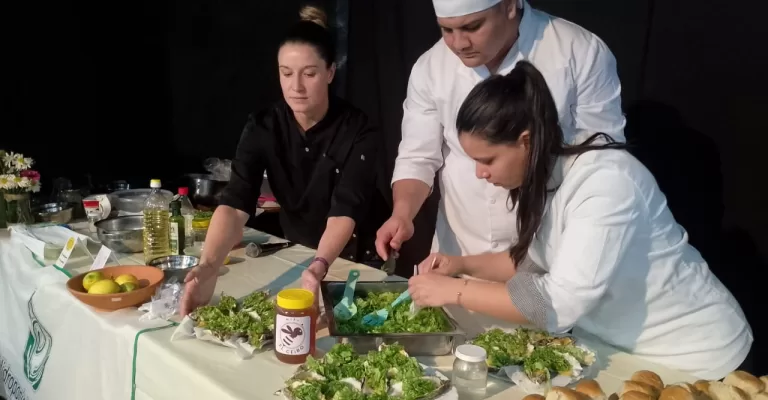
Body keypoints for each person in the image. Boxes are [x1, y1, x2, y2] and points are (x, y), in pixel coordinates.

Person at [406, 61, 754, 379]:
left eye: (488, 159)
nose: (480, 173)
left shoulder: (606, 184)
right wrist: (461, 264)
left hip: (697, 357)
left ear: (525, 142)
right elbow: (533, 265)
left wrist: (456, 290)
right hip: (626, 354)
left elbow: (556, 303)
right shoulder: (548, 182)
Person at [376, 0, 626, 262]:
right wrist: (401, 214)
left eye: (472, 26)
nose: (459, 43)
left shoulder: (579, 51)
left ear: (509, 6)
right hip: (458, 252)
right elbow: (417, 157)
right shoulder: (430, 67)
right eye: (446, 30)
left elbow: (604, 157)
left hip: (553, 251)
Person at [180, 6, 386, 316]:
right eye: (286, 73)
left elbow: (346, 208)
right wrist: (208, 266)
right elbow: (236, 203)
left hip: (356, 255)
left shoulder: (357, 128)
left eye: (310, 73)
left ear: (330, 72)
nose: (296, 86)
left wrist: (319, 265)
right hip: (298, 249)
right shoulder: (264, 125)